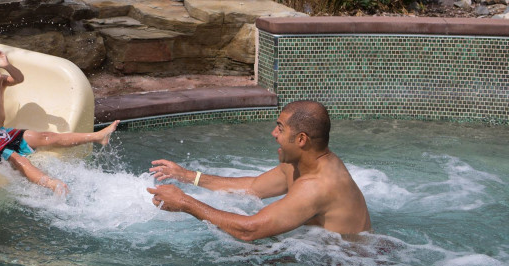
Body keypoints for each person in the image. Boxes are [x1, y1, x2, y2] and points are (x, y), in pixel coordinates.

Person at [147, 100, 371, 241]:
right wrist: (186, 176)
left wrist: (184, 203)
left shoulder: (318, 185)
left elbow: (249, 231)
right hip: (325, 255)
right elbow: (252, 187)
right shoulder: (302, 164)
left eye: (280, 128)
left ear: (301, 139)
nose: (274, 133)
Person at [0, 44, 119, 195]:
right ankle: (52, 184)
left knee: (46, 136)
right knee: (18, 159)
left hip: (1, 133)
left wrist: (6, 65)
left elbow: (19, 78)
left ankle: (98, 136)